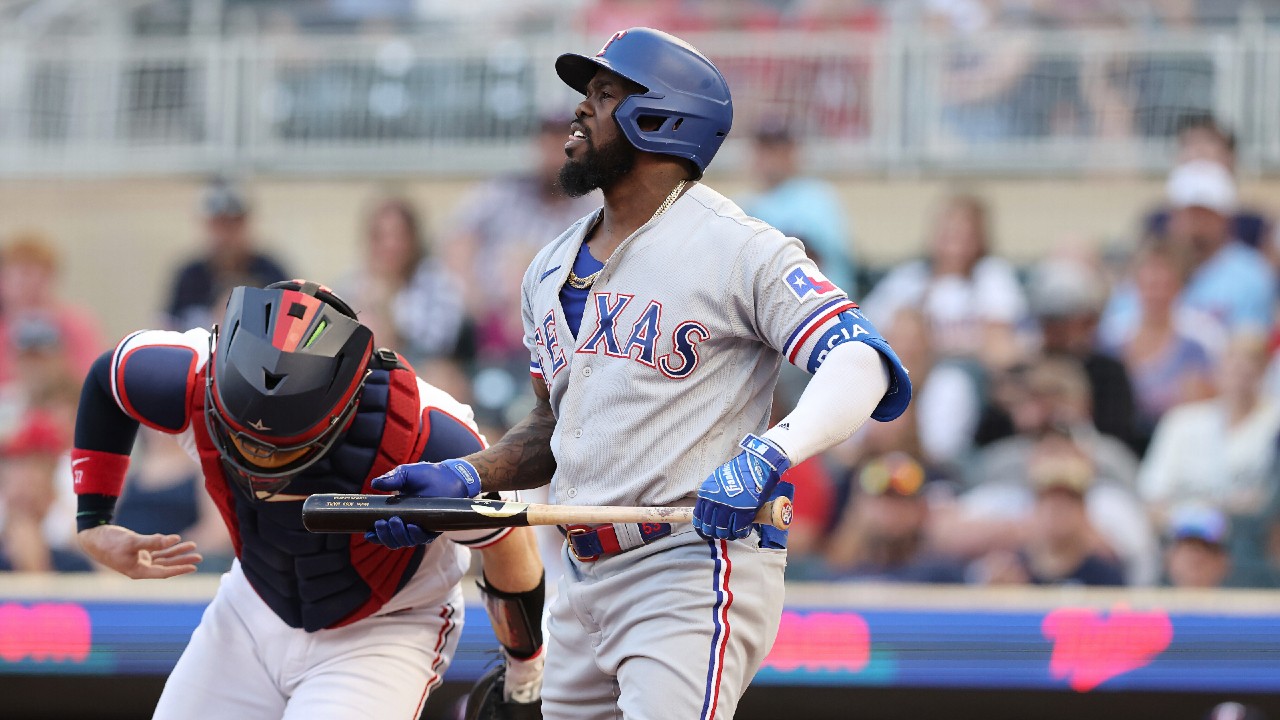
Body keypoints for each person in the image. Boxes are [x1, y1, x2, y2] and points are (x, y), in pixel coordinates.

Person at [363, 28, 912, 720]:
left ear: (662, 118)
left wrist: (771, 452)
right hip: (583, 576)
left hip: (688, 565)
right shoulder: (549, 264)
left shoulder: (740, 247)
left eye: (603, 93)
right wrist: (469, 476)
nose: (580, 111)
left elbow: (861, 360)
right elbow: (552, 423)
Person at [71, 281, 545, 720]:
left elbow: (508, 545)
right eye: (241, 438)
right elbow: (105, 381)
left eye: (279, 447)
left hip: (385, 627)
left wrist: (525, 674)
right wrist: (93, 521)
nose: (256, 455)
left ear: (347, 405)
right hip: (252, 604)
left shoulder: (427, 434)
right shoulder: (185, 372)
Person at [737, 119, 857, 296]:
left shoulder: (817, 196)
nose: (769, 159)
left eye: (776, 150)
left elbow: (809, 257)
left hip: (820, 306)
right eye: (763, 150)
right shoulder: (744, 204)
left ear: (792, 152)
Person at [164, 179, 291, 331]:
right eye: (219, 224)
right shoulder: (190, 278)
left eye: (232, 224)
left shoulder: (271, 274)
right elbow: (168, 329)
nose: (225, 234)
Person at [822, 451, 965, 583]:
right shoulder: (834, 571)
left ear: (919, 509)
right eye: (882, 499)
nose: (890, 511)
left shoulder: (941, 573)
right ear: (859, 506)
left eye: (901, 500)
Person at [1163, 504, 1232, 589]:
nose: (1196, 557)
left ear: (1223, 561)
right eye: (1189, 546)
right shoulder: (1149, 600)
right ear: (1169, 558)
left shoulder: (1241, 601)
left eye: (1207, 547)